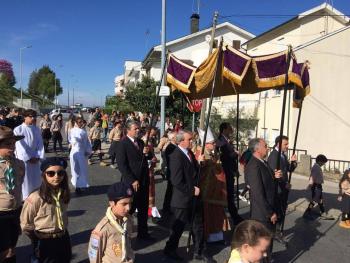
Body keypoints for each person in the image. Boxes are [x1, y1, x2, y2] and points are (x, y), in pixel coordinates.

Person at [164, 130, 210, 262]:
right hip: (182, 198)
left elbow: (193, 171)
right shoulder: (175, 155)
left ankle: (199, 251)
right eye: (189, 139)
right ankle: (170, 249)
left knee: (198, 225)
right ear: (181, 141)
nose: (192, 141)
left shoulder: (188, 152)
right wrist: (191, 190)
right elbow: (176, 180)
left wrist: (199, 162)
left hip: (195, 197)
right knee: (178, 228)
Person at [20, 157, 72, 263]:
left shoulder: (64, 193)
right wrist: (36, 239)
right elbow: (26, 224)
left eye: (60, 173)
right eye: (51, 173)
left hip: (63, 237)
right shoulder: (35, 198)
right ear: (44, 175)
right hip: (44, 240)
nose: (56, 176)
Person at [244, 138, 282, 263]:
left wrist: (274, 176)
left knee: (266, 245)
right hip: (261, 214)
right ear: (257, 149)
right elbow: (258, 194)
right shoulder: (253, 165)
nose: (268, 148)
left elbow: (266, 181)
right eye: (265, 146)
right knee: (261, 246)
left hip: (268, 210)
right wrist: (269, 213)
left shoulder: (262, 162)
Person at [116, 120, 153, 240]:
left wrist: (147, 153)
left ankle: (143, 233)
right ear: (128, 130)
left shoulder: (141, 142)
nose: (138, 130)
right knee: (129, 209)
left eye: (139, 128)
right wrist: (132, 180)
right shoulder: (123, 144)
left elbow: (150, 157)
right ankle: (123, 234)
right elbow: (122, 165)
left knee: (143, 208)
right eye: (135, 129)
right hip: (131, 182)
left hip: (143, 180)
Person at [195, 127, 230, 243]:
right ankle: (206, 236)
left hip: (216, 191)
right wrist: (201, 163)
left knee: (217, 213)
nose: (215, 144)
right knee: (207, 214)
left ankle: (217, 236)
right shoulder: (200, 153)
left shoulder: (214, 153)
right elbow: (198, 170)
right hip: (206, 190)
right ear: (206, 143)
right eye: (212, 143)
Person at [88, 182, 135, 263]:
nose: (128, 208)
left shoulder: (128, 220)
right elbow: (94, 258)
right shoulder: (102, 229)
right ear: (112, 203)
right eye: (124, 204)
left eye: (130, 203)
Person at [0, 126, 25, 263]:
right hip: (1, 213)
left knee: (11, 246)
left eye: (13, 144)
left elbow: (19, 183)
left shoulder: (19, 164)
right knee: (3, 249)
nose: (12, 147)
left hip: (15, 210)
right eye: (7, 144)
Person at [267, 135, 297, 235]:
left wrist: (293, 162)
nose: (288, 146)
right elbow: (274, 175)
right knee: (278, 211)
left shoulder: (282, 155)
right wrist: (285, 185)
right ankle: (274, 232)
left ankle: (278, 231)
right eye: (286, 144)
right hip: (278, 189)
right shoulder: (273, 156)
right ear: (279, 144)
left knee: (282, 210)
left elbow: (289, 169)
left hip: (283, 188)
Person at [13, 109, 44, 200]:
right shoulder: (18, 129)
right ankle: (25, 200)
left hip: (35, 159)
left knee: (36, 180)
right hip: (25, 160)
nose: (33, 118)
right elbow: (19, 146)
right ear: (25, 117)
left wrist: (38, 156)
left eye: (34, 116)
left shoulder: (36, 129)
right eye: (30, 116)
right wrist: (29, 157)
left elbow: (40, 144)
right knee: (25, 181)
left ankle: (37, 199)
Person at [216, 122, 243, 225]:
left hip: (230, 171)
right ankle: (233, 216)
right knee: (228, 195)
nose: (231, 130)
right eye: (229, 128)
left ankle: (234, 216)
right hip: (225, 171)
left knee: (230, 195)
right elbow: (223, 157)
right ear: (224, 130)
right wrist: (234, 153)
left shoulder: (227, 141)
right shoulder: (220, 141)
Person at [304, 154, 334, 219]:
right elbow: (312, 178)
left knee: (320, 200)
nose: (323, 164)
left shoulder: (317, 167)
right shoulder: (316, 167)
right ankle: (307, 212)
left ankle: (323, 213)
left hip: (318, 186)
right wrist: (310, 186)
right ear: (320, 161)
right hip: (316, 187)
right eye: (323, 162)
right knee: (314, 201)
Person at [70, 117, 92, 194]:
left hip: (82, 153)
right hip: (74, 152)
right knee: (75, 169)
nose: (81, 123)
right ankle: (76, 185)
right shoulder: (72, 130)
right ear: (76, 122)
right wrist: (75, 140)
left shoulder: (84, 131)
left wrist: (88, 150)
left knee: (82, 169)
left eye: (82, 122)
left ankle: (81, 185)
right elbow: (72, 140)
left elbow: (87, 142)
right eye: (79, 122)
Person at [161, 131, 177, 215]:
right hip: (171, 171)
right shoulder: (170, 147)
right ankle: (167, 208)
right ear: (173, 138)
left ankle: (168, 207)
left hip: (172, 171)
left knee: (171, 191)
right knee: (170, 191)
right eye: (176, 137)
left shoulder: (173, 146)